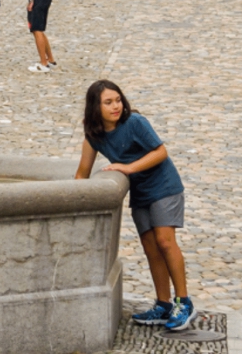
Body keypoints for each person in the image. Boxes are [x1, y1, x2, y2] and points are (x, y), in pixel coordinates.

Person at [76, 79, 193, 332]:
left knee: (165, 241)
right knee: (150, 248)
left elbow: (161, 152)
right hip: (140, 193)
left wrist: (128, 168)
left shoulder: (135, 123)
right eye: (108, 103)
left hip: (164, 186)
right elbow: (82, 173)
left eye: (117, 100)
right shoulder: (94, 135)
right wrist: (70, 201)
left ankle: (183, 303)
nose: (115, 106)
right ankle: (162, 305)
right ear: (95, 107)